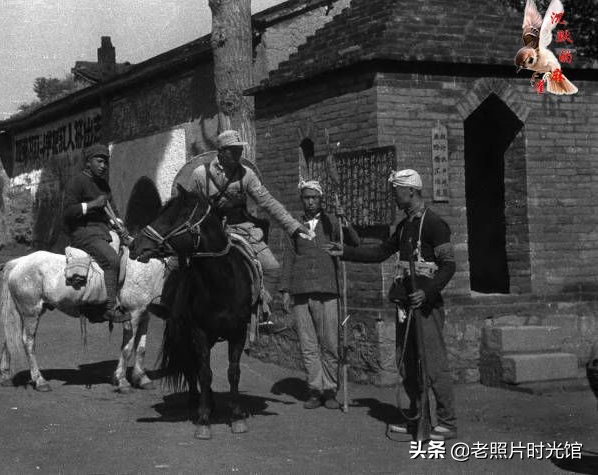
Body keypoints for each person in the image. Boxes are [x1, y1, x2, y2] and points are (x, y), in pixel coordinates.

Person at [326, 169, 457, 441]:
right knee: (407, 363)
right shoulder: (405, 225)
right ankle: (417, 416)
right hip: (404, 305)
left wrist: (428, 292)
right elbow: (380, 252)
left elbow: (449, 266)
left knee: (432, 363)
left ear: (410, 190)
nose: (393, 196)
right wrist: (346, 252)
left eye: (396, 190)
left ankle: (447, 420)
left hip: (425, 306)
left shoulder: (434, 224)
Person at [149, 129, 314, 326]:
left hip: (241, 227)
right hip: (206, 230)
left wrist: (293, 227)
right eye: (233, 150)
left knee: (272, 268)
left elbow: (268, 202)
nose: (238, 154)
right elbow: (187, 207)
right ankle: (166, 301)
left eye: (239, 150)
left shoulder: (247, 175)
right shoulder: (200, 175)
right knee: (177, 260)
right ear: (221, 151)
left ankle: (261, 311)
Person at [280, 180, 359, 409]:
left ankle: (330, 390)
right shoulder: (294, 225)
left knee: (331, 343)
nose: (310, 201)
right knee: (308, 344)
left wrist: (345, 219)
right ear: (302, 199)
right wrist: (285, 291)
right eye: (306, 197)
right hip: (301, 290)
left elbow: (354, 242)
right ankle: (315, 389)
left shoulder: (331, 221)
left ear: (321, 199)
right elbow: (289, 258)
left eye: (314, 197)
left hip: (328, 289)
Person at [62, 143, 130, 323]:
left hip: (103, 232)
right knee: (112, 260)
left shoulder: (103, 185)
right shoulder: (76, 182)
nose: (103, 166)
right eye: (99, 161)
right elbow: (67, 212)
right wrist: (92, 205)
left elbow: (113, 210)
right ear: (88, 163)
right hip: (83, 233)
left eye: (106, 162)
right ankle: (109, 308)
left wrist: (121, 226)